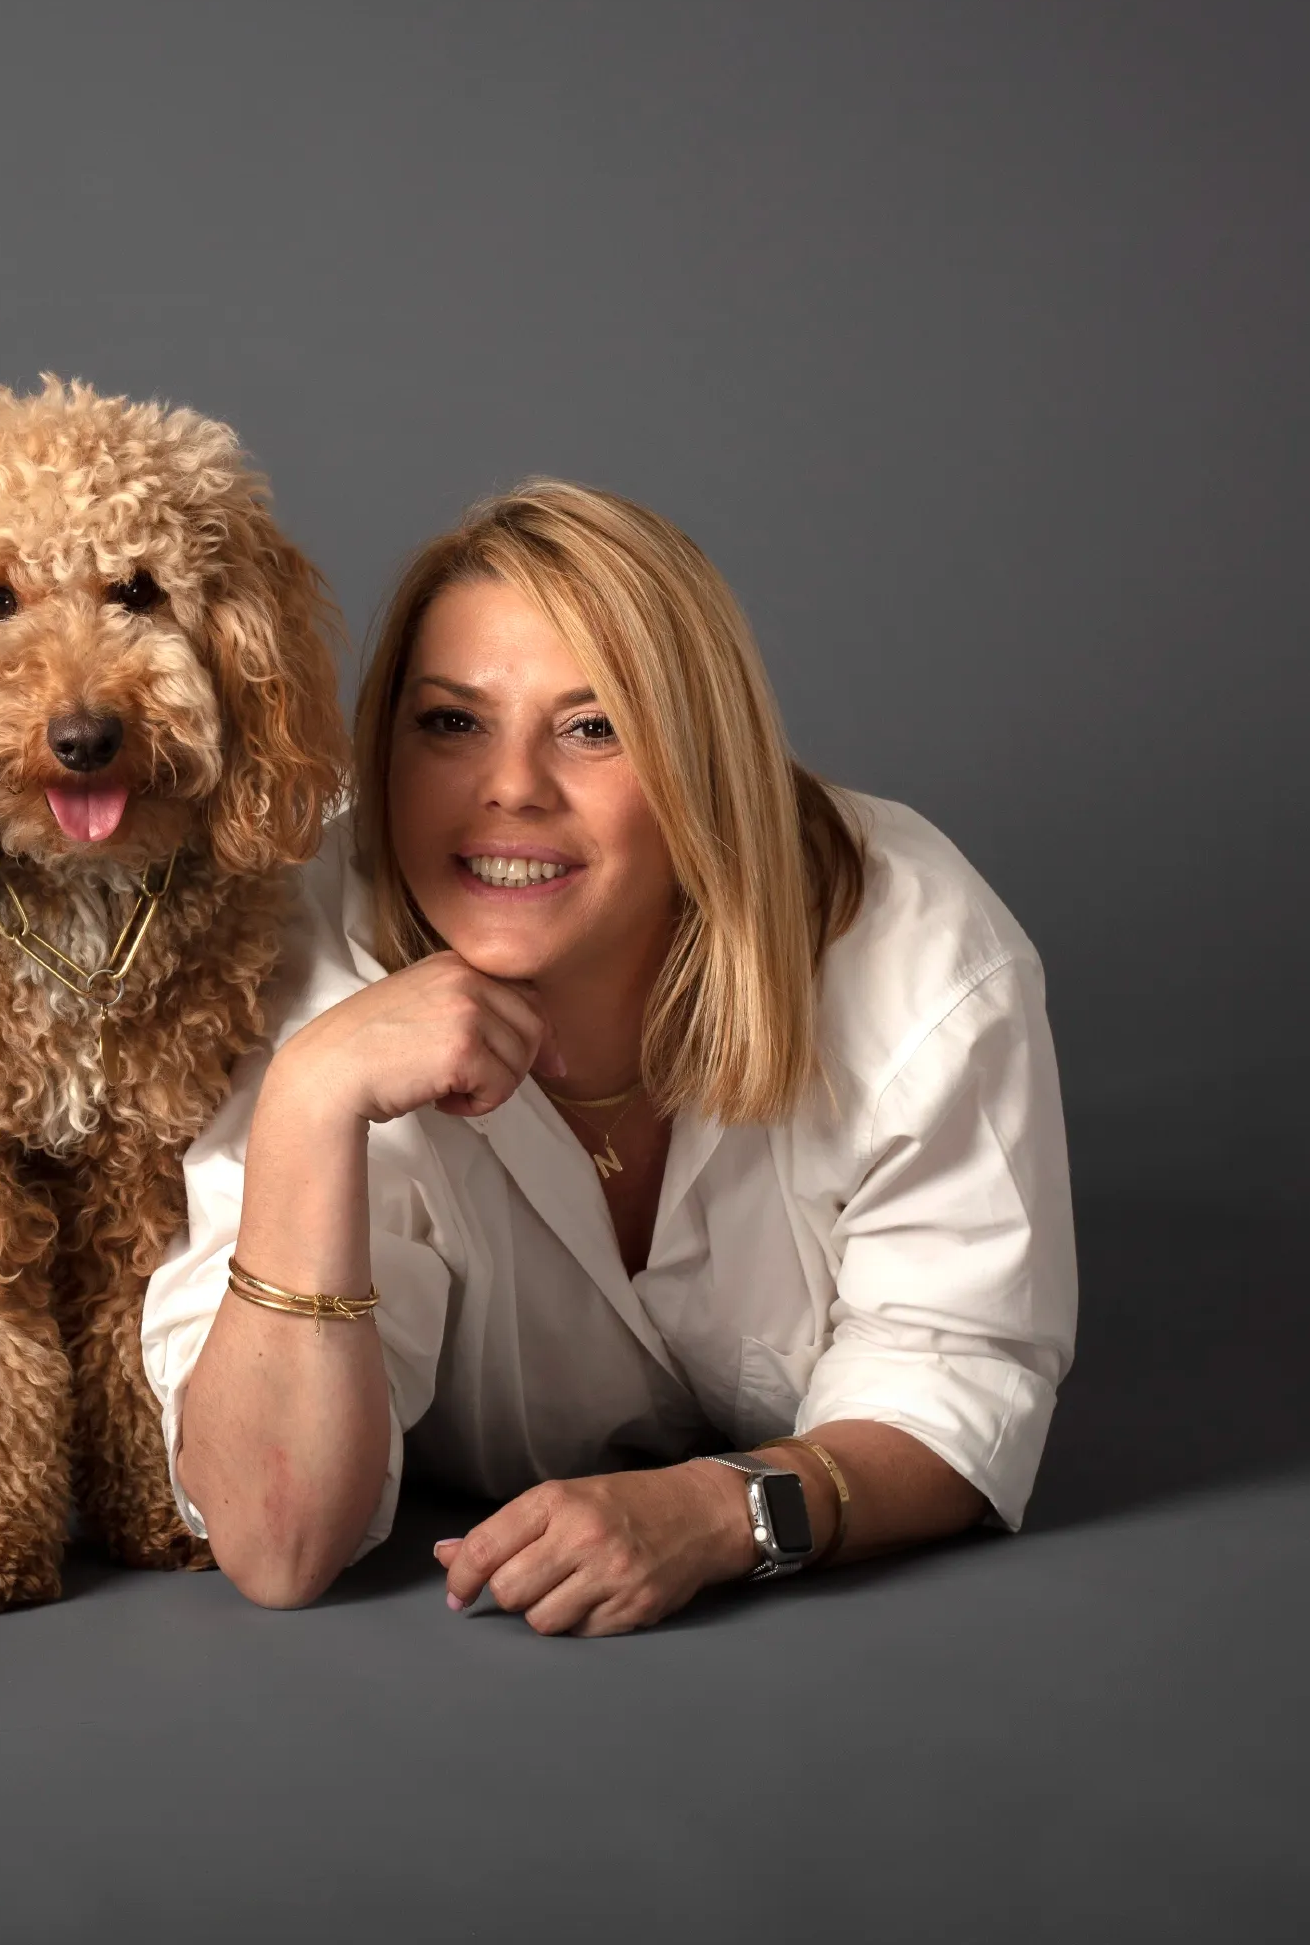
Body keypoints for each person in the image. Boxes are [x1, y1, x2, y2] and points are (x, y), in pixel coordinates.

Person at [144, 481, 1075, 1630]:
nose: (509, 788)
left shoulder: (914, 946)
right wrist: (307, 1098)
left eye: (593, 727)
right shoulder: (291, 950)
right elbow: (276, 1539)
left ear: (703, 760)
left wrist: (716, 1513)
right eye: (450, 722)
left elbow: (955, 1384)